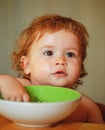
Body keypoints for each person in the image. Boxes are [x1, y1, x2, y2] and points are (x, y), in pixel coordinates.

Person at [0, 15, 104, 123]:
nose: (61, 60)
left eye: (70, 54)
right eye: (48, 53)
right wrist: (5, 81)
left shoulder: (87, 106)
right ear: (27, 65)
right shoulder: (20, 87)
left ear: (81, 66)